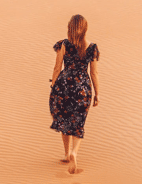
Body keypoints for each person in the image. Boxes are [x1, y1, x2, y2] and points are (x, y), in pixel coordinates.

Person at [49, 14, 100, 174]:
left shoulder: (64, 44)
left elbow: (57, 67)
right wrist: (97, 93)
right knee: (78, 120)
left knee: (64, 118)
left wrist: (53, 85)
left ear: (69, 28)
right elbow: (94, 73)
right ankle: (74, 152)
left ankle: (65, 154)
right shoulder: (91, 47)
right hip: (82, 87)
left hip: (64, 85)